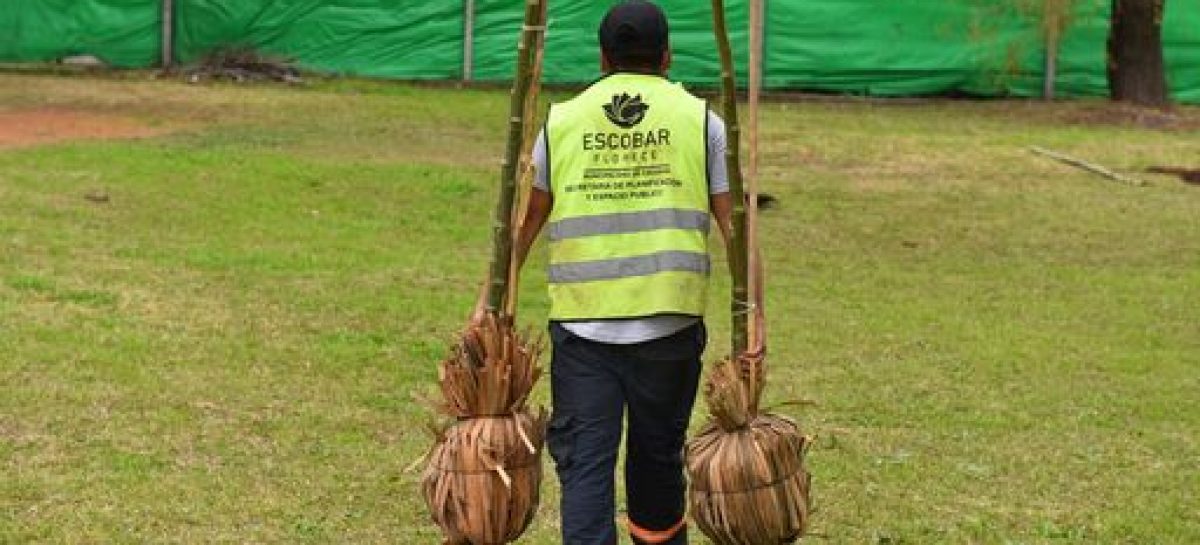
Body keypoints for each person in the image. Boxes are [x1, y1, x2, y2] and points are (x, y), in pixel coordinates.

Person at [478, 2, 745, 543]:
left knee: (585, 472)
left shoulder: (561, 122)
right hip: (669, 328)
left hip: (583, 333)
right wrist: (755, 318)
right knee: (658, 463)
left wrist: (487, 302)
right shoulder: (703, 122)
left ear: (602, 57)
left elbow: (525, 225)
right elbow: (736, 228)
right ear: (667, 56)